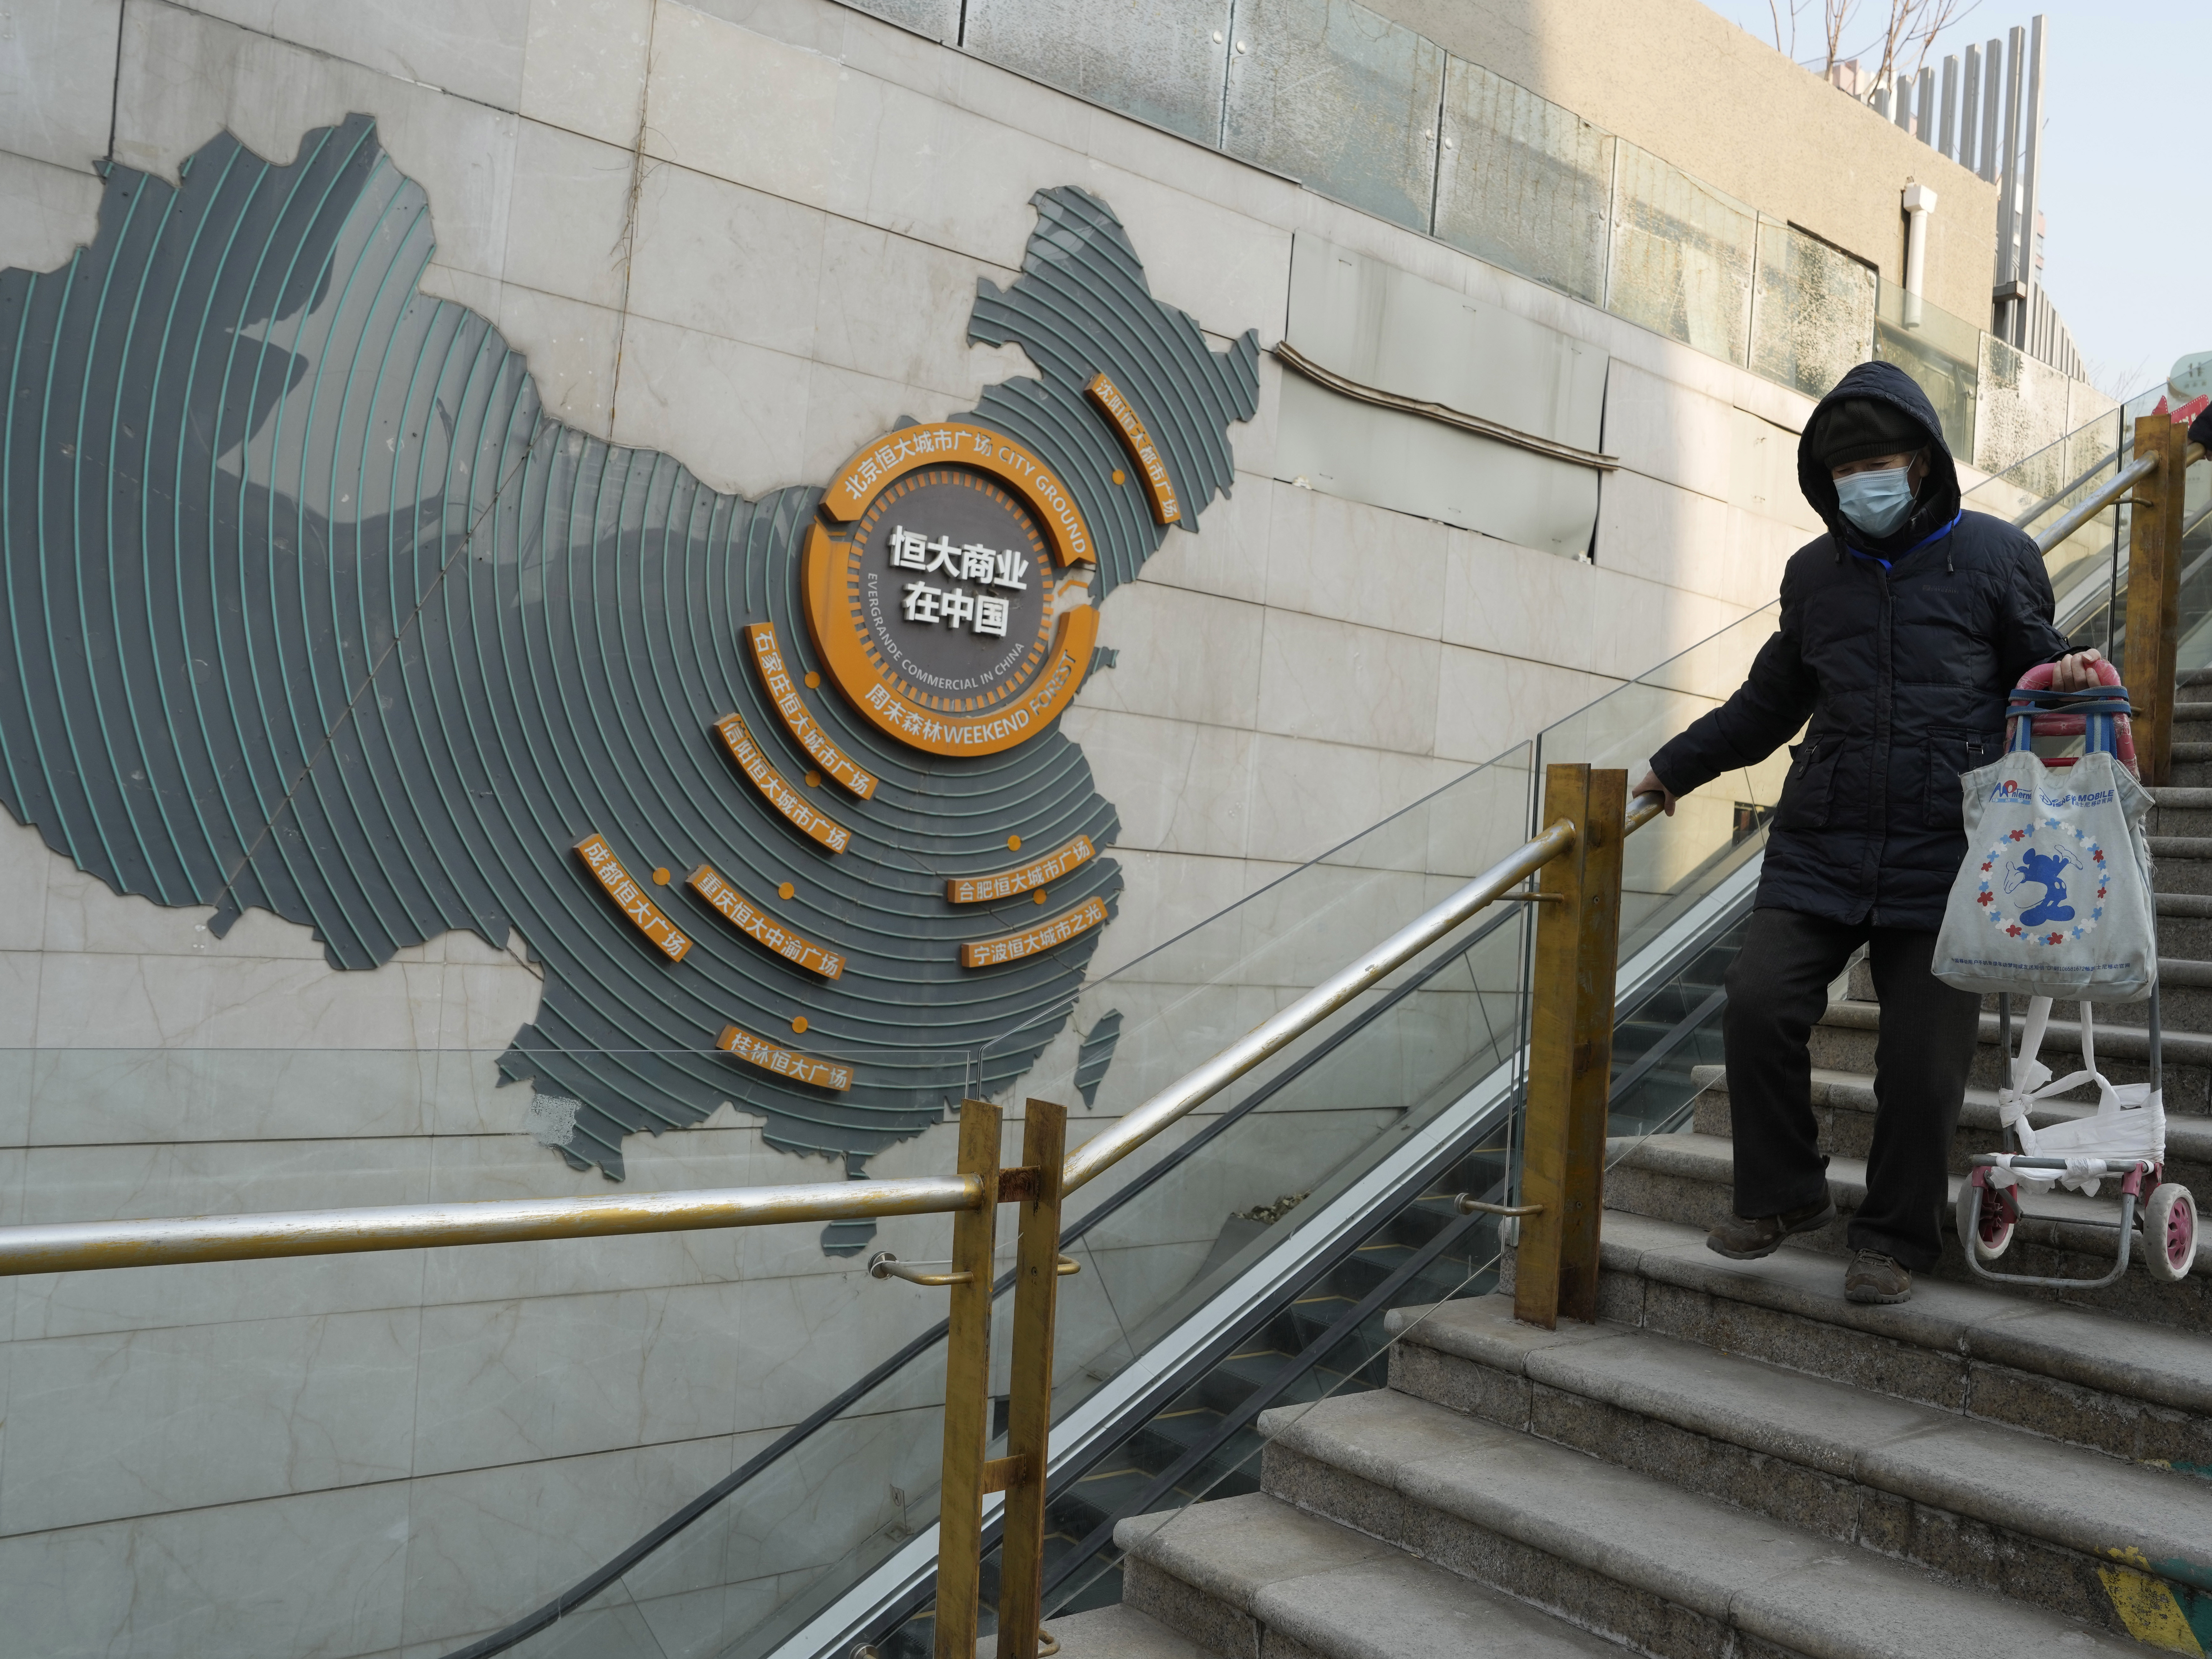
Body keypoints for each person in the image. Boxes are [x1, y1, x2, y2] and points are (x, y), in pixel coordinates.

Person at [1633, 360, 2104, 1306]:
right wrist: (1669, 768)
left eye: (1879, 463)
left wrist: (2077, 669)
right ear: (1825, 482)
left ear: (1922, 465)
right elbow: (1768, 702)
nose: (1863, 484)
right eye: (1844, 471)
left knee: (1920, 1063)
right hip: (1822, 838)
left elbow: (2039, 659)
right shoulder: (1813, 575)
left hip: (1947, 847)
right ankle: (1782, 1195)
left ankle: (1892, 1239)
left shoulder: (1996, 555)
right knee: (1756, 1001)